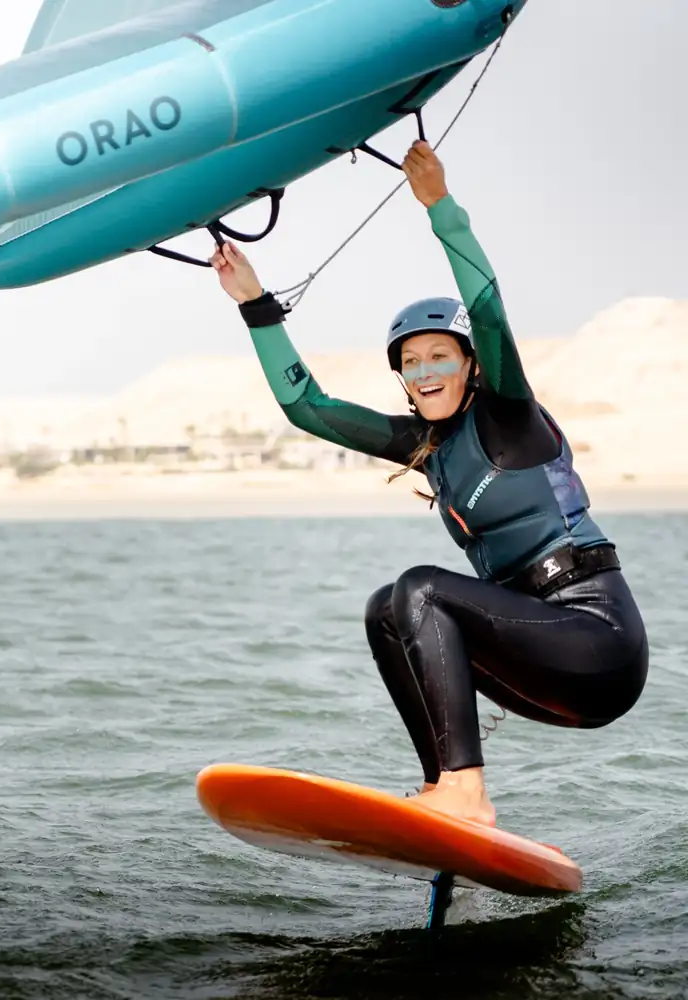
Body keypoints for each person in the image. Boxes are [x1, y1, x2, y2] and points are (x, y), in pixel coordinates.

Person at [209, 140, 649, 827]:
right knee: (387, 606)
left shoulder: (508, 413)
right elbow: (309, 409)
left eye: (440, 355)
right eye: (411, 363)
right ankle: (447, 793)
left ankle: (464, 790)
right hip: (534, 657)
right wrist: (256, 304)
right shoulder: (425, 448)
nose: (425, 372)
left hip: (597, 644)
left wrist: (439, 205)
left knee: (421, 585)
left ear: (471, 364)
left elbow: (490, 307)